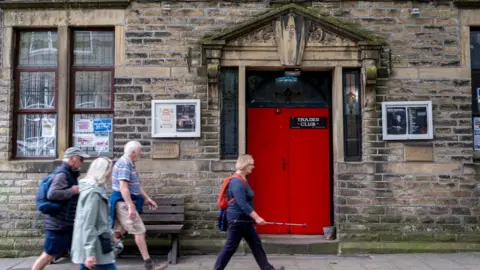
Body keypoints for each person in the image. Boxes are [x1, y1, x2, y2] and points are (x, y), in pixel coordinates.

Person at [214, 154, 285, 270]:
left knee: (256, 244)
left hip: (244, 219)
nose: (253, 167)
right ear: (244, 165)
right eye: (251, 164)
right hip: (237, 219)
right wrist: (257, 217)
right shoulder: (236, 181)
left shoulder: (243, 179)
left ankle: (267, 268)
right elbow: (242, 203)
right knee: (230, 247)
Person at [109, 141, 168, 270]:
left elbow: (135, 186)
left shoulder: (129, 164)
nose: (142, 153)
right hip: (123, 203)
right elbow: (124, 188)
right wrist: (131, 206)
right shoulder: (125, 164)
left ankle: (100, 258)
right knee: (140, 231)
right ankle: (149, 264)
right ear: (133, 153)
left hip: (122, 203)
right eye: (140, 151)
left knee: (117, 232)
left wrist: (146, 198)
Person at [32, 147, 89, 270]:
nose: (82, 162)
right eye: (81, 159)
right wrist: (72, 191)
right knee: (48, 255)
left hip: (66, 222)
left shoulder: (68, 173)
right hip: (58, 224)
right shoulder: (62, 174)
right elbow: (52, 194)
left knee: (82, 253)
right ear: (72, 159)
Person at [71, 157, 117, 270]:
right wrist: (89, 252)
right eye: (110, 169)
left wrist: (111, 235)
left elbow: (100, 219)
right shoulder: (93, 192)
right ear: (104, 171)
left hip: (98, 243)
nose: (111, 173)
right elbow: (88, 223)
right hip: (97, 246)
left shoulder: (96, 189)